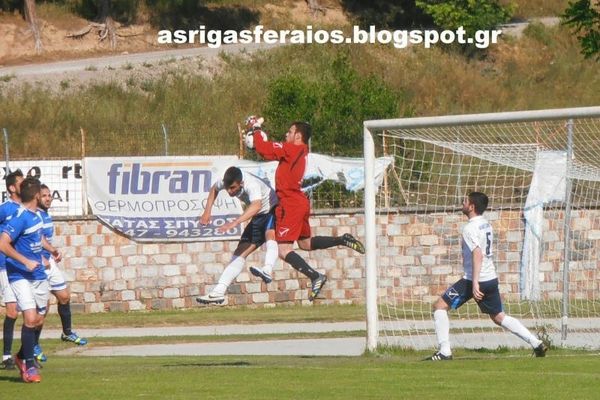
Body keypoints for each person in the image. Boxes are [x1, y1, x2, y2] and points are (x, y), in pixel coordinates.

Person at [249, 119, 365, 301]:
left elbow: (264, 149)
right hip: (299, 201)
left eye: (289, 132)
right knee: (305, 243)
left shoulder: (291, 149)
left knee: (283, 249)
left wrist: (256, 130)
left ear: (298, 135)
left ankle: (315, 276)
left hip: (290, 204)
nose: (286, 135)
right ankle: (342, 240)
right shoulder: (301, 152)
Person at [424, 191, 548, 361]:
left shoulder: (469, 228)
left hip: (474, 280)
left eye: (465, 201)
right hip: (490, 278)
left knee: (439, 306)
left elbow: (477, 254)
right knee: (498, 317)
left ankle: (445, 352)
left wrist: (474, 283)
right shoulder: (485, 224)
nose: (463, 203)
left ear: (472, 206)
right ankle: (536, 343)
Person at [196, 166, 279, 304]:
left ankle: (267, 270)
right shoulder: (226, 182)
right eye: (228, 187)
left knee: (270, 234)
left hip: (273, 209)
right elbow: (214, 189)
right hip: (258, 216)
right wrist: (207, 211)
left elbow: (256, 205)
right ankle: (218, 292)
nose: (229, 191)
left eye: (233, 188)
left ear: (241, 183)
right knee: (239, 252)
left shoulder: (251, 184)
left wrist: (235, 223)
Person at [0, 177, 47, 382]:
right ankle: (29, 366)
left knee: (38, 320)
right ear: (37, 195)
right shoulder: (19, 217)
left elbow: (34, 241)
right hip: (19, 274)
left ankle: (20, 356)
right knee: (28, 318)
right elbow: (3, 244)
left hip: (38, 274)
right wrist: (24, 261)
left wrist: (45, 255)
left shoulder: (37, 216)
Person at [35, 183, 87, 360]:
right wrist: (43, 256)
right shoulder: (34, 215)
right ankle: (34, 345)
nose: (48, 198)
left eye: (49, 195)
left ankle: (67, 333)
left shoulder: (46, 215)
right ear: (36, 197)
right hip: (38, 263)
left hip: (48, 261)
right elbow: (35, 239)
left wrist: (52, 251)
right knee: (43, 309)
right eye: (44, 196)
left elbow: (43, 239)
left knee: (64, 296)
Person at [0, 169, 24, 370]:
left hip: (22, 266)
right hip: (5, 266)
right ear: (11, 188)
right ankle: (7, 356)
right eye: (20, 183)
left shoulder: (27, 210)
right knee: (12, 311)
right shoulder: (5, 209)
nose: (24, 185)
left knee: (32, 310)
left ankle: (28, 353)